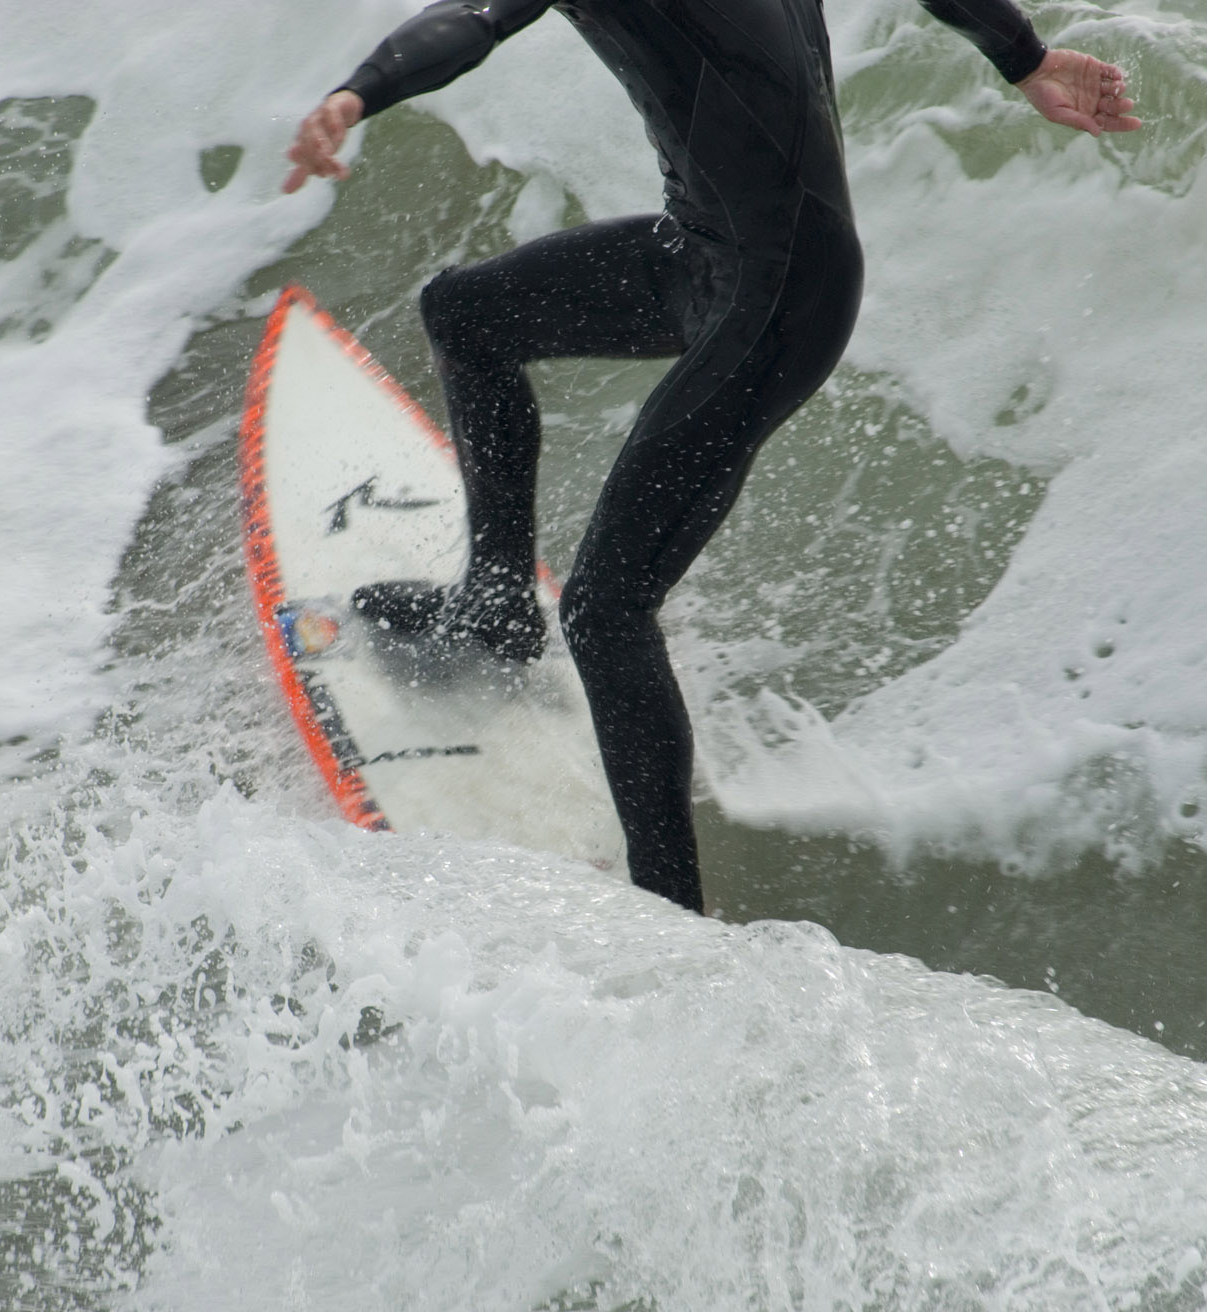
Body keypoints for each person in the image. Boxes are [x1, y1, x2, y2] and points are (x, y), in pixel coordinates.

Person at [281, 0, 1138, 914]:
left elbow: (474, 23)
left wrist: (358, 93)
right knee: (467, 315)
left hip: (773, 301)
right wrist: (1023, 58)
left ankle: (674, 922)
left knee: (609, 611)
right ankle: (496, 608)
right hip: (706, 257)